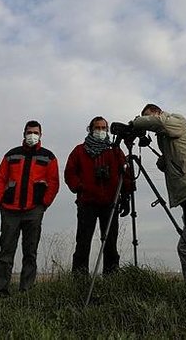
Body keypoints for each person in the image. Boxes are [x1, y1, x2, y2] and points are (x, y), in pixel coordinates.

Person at [131, 104, 186, 279]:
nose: (151, 125)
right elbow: (176, 154)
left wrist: (135, 123)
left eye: (150, 118)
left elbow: (160, 123)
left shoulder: (176, 120)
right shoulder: (163, 135)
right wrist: (164, 162)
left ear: (157, 112)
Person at [0, 120, 59, 295]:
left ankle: (26, 291)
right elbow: (0, 178)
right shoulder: (11, 155)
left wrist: (44, 203)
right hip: (10, 210)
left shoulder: (48, 157)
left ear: (41, 135)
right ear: (23, 133)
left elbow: (53, 182)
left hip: (34, 211)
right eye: (29, 132)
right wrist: (0, 200)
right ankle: (0, 289)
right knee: (6, 252)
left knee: (30, 252)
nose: (32, 135)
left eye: (35, 132)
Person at [64, 116, 133, 276]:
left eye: (104, 128)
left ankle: (111, 277)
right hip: (87, 202)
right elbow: (70, 173)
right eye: (98, 128)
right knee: (83, 242)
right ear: (91, 129)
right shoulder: (79, 150)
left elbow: (126, 174)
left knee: (110, 243)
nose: (101, 131)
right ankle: (80, 279)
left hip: (110, 202)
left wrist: (126, 196)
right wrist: (80, 188)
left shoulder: (115, 151)